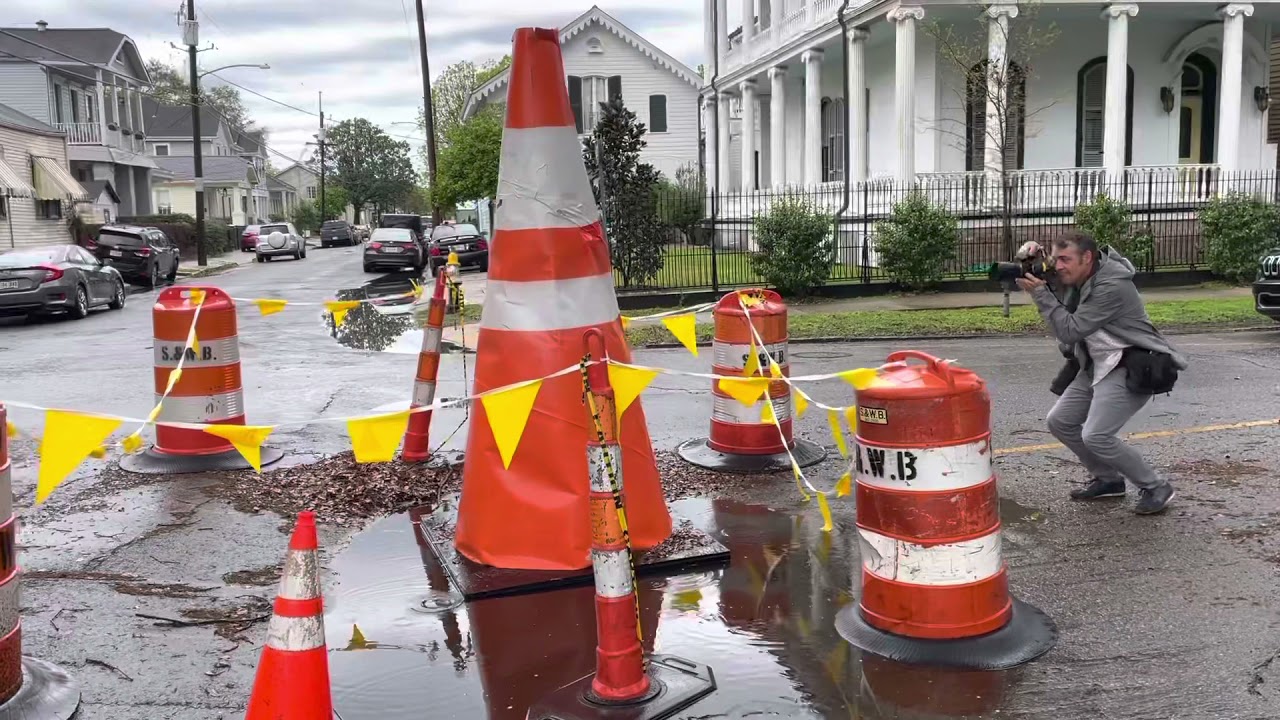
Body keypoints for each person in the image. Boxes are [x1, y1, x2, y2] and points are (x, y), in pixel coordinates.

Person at [1015, 232, 1188, 515]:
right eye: (1055, 259)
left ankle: (1156, 486)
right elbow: (1050, 285)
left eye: (1065, 259)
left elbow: (1071, 329)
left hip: (1130, 364)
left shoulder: (1111, 286)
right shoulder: (1079, 276)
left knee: (1096, 435)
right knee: (1061, 421)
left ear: (1087, 258)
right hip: (1097, 363)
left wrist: (1041, 295)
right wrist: (1029, 262)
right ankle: (1108, 479)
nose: (1058, 266)